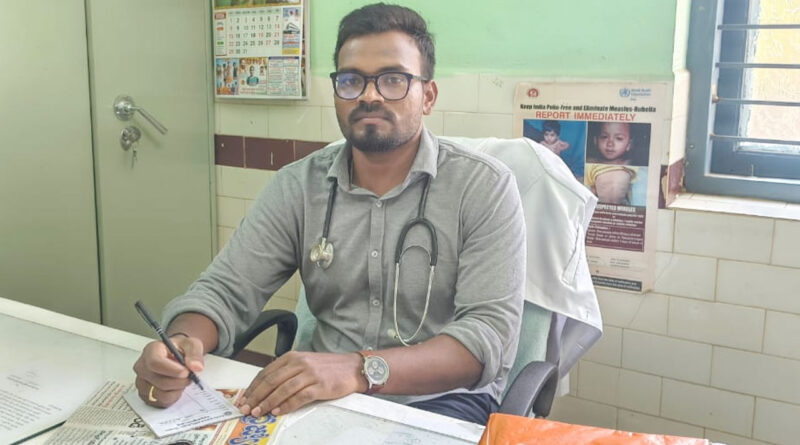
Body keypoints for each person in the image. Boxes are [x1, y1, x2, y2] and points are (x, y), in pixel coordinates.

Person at [132, 3, 525, 426]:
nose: (370, 95)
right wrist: (183, 342)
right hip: (323, 398)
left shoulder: (483, 187)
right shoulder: (299, 186)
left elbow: (487, 337)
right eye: (352, 80)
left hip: (439, 400)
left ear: (427, 96)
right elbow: (226, 290)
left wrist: (359, 369)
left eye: (393, 79)